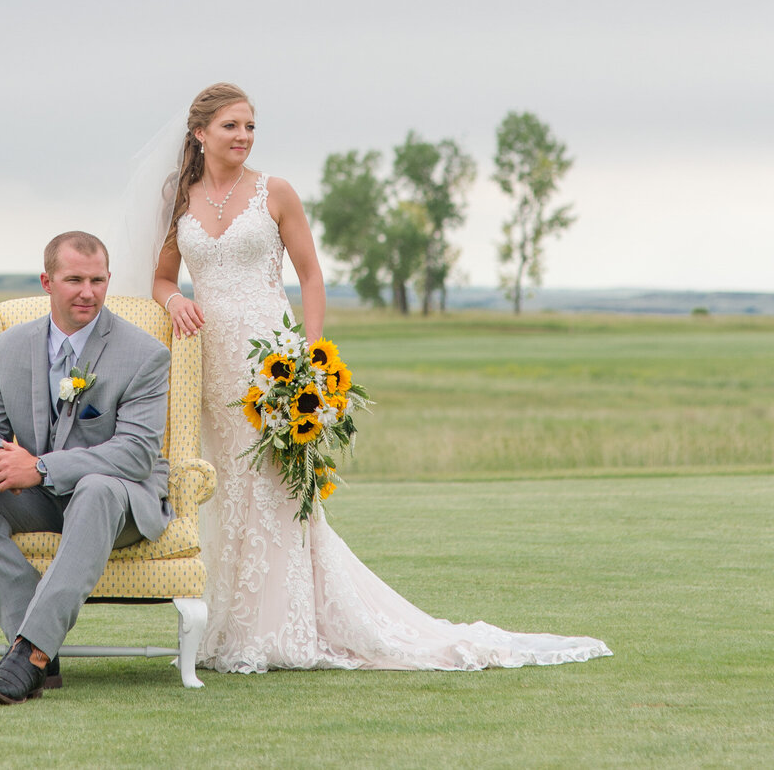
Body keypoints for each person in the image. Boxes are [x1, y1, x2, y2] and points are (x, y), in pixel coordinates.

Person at [136, 82, 611, 675]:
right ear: (201, 133)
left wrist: (307, 357)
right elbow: (160, 277)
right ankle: (231, 625)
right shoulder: (180, 204)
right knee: (230, 494)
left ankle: (283, 630)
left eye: (251, 127)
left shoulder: (274, 193)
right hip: (212, 367)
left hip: (271, 363)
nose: (243, 137)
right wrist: (174, 298)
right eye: (231, 126)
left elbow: (310, 276)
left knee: (279, 494)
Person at [0, 230, 172, 704]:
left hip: (119, 502)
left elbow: (136, 454)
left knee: (97, 490)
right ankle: (38, 646)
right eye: (74, 279)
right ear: (48, 281)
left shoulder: (145, 354)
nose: (88, 292)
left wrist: (39, 468)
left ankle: (29, 657)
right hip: (44, 501)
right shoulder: (9, 346)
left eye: (98, 280)